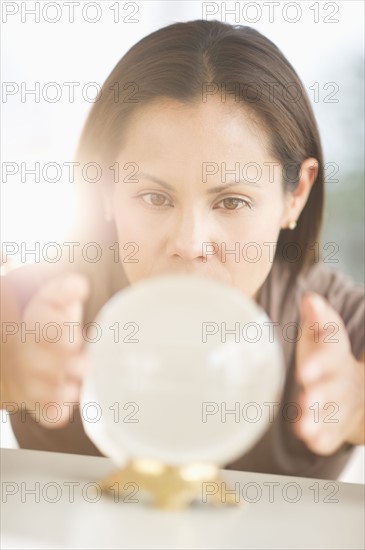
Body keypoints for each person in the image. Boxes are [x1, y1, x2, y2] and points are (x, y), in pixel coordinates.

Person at [1, 20, 364, 479]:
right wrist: (9, 370)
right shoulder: (46, 305)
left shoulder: (333, 326)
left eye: (232, 201)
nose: (190, 243)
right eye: (155, 198)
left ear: (296, 194)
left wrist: (355, 399)